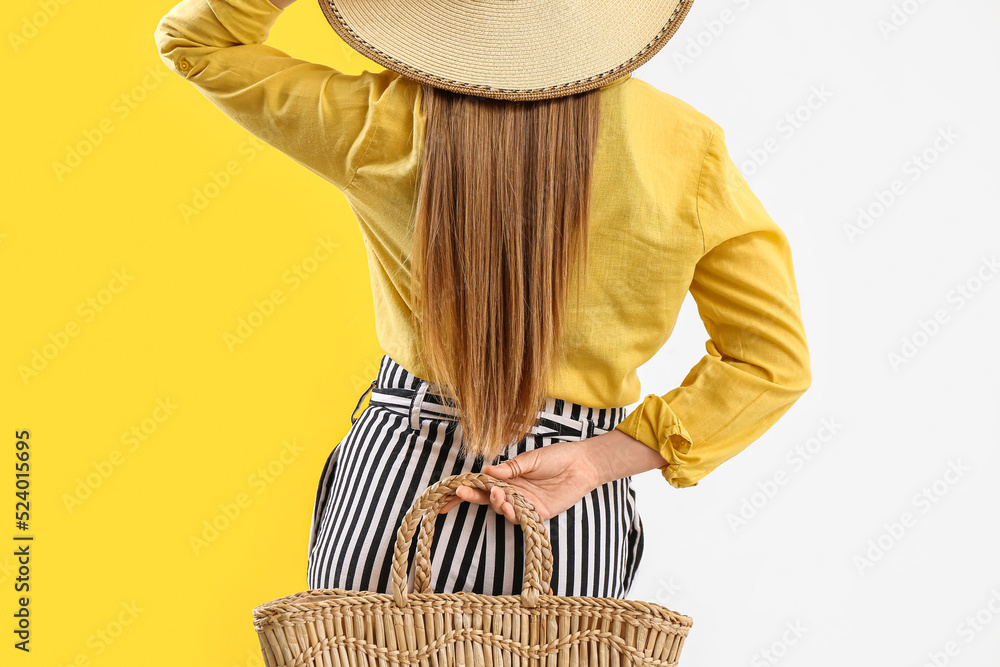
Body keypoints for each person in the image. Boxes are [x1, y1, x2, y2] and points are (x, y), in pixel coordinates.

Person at [153, 0, 811, 599]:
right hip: (568, 516)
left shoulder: (387, 121)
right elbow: (772, 360)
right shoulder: (685, 148)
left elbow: (194, 42)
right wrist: (596, 458)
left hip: (396, 490)